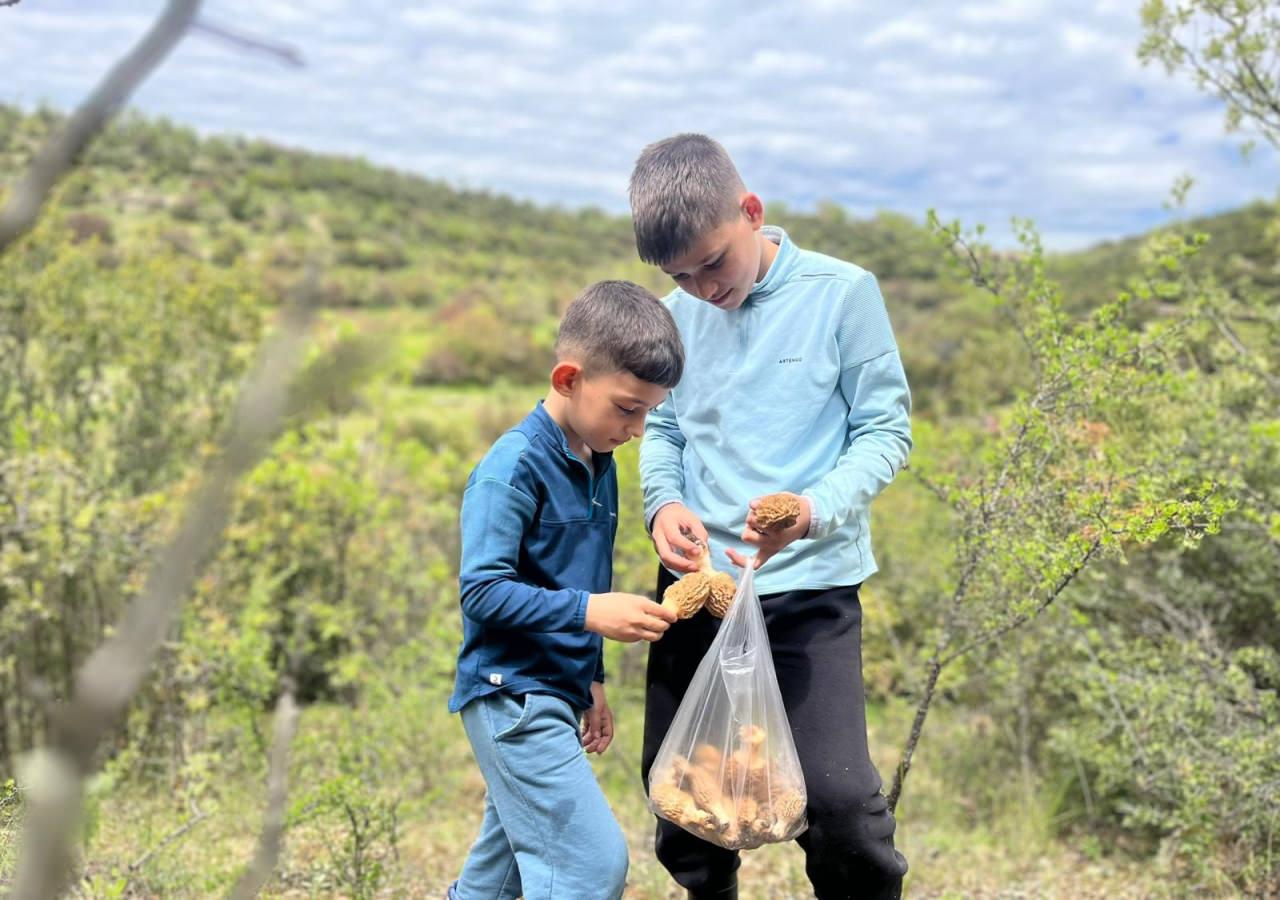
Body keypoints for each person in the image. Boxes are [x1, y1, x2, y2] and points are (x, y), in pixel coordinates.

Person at [630, 134, 913, 900]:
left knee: (843, 804)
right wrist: (665, 504)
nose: (701, 290)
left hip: (809, 589)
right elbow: (664, 428)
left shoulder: (842, 293)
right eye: (678, 276)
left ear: (751, 212)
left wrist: (814, 512)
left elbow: (886, 431)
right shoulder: (673, 317)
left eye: (713, 262)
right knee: (682, 794)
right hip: (699, 585)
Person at [446, 280, 685, 900]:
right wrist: (591, 613)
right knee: (589, 866)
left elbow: (581, 581)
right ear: (568, 378)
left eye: (649, 413)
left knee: (494, 881)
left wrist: (593, 681)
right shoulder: (513, 468)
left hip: (556, 691)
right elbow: (483, 592)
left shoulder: (598, 460)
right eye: (627, 407)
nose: (636, 430)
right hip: (511, 697)